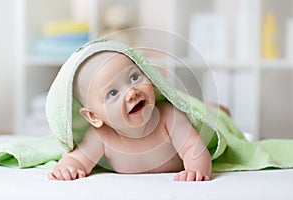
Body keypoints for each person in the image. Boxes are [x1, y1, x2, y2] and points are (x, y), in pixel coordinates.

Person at [48, 51, 221, 182]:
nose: (132, 92)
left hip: (194, 112)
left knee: (212, 114)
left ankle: (214, 108)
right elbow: (76, 159)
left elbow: (193, 148)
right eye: (113, 93)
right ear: (94, 116)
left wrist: (196, 170)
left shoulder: (169, 117)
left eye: (133, 77)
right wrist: (67, 168)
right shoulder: (101, 137)